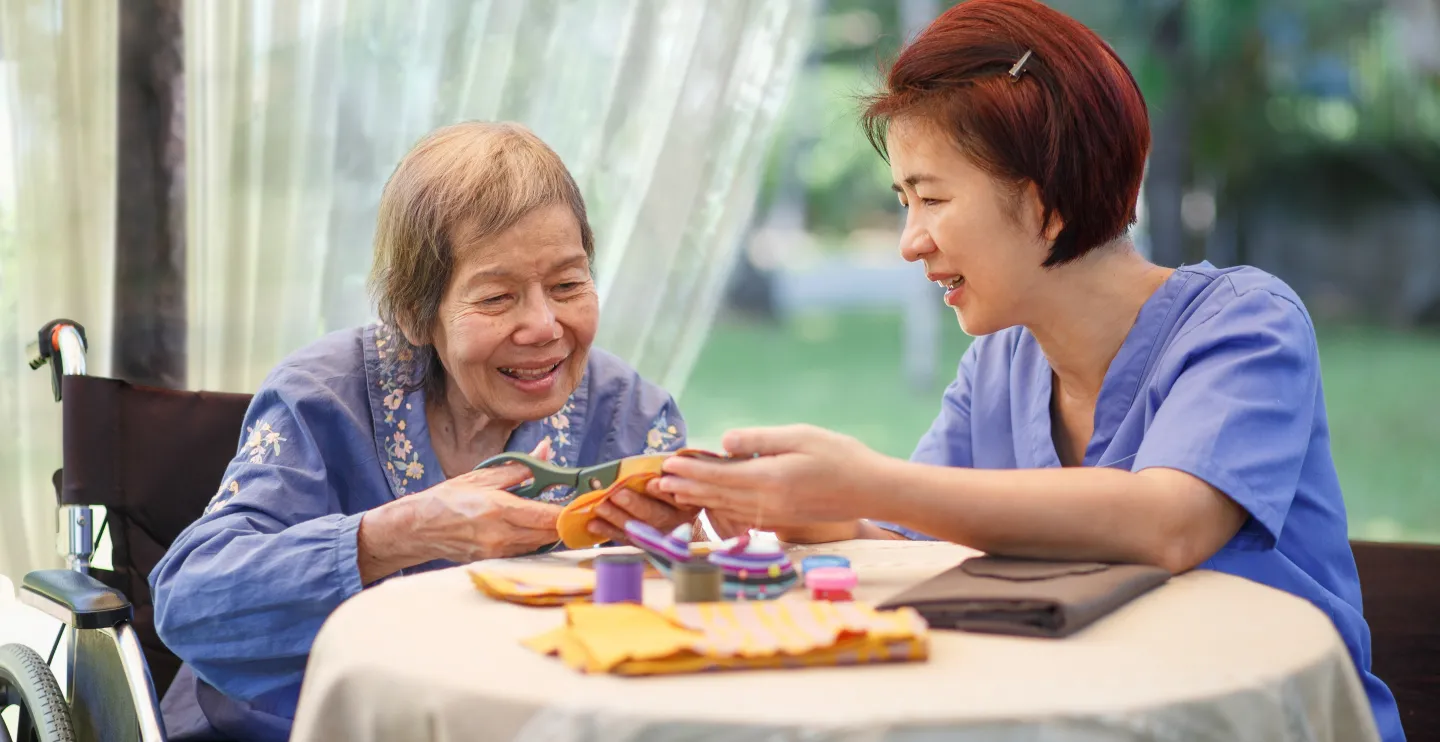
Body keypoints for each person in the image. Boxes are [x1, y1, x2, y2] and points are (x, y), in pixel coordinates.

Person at [657, 1, 1404, 739]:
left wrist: (864, 479)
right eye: (902, 201)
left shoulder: (1245, 324)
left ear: (1046, 204)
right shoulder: (997, 366)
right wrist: (790, 507)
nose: (909, 242)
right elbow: (911, 535)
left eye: (931, 198)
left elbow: (1168, 523)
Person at [150, 121, 694, 741]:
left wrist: (691, 544)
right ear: (414, 312)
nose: (545, 325)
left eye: (568, 284)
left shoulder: (630, 415)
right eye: (496, 298)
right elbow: (190, 600)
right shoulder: (323, 400)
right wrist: (402, 531)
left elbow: (684, 617)